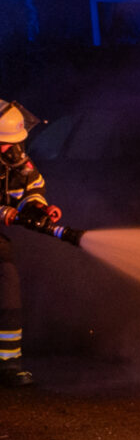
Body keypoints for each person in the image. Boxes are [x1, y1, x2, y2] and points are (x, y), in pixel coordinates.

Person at [0, 101, 54, 387]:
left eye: (11, 143)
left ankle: (8, 362)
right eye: (2, 143)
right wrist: (3, 212)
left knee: (7, 276)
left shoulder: (13, 152)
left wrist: (37, 207)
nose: (8, 149)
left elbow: (31, 184)